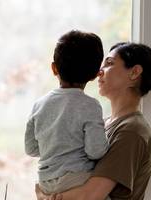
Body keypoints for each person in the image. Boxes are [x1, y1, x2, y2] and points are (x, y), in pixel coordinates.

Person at [35, 42, 151, 200]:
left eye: (109, 63)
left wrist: (45, 196)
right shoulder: (103, 124)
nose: (99, 72)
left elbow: (90, 195)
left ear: (134, 72)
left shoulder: (132, 131)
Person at [25, 30, 109, 195]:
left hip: (45, 183)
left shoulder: (39, 105)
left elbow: (31, 149)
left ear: (54, 68)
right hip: (77, 179)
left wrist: (55, 144)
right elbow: (96, 151)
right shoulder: (90, 106)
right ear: (95, 74)